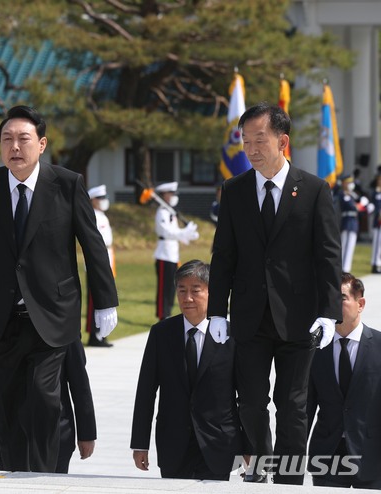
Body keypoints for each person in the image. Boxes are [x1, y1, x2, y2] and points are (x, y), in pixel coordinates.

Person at [0, 105, 118, 472]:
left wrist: (105, 302)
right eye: (7, 139)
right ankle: (12, 473)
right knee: (7, 403)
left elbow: (93, 246)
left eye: (23, 139)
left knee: (45, 398)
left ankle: (44, 478)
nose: (15, 146)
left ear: (41, 144)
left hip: (53, 316)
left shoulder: (67, 184)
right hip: (4, 318)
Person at [208, 102, 342, 484]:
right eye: (245, 140)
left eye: (259, 140)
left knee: (292, 405)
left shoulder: (314, 190)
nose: (250, 149)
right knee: (250, 402)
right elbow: (224, 255)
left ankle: (288, 480)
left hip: (299, 317)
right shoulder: (233, 191)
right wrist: (217, 309)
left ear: (282, 141)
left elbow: (328, 255)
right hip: (250, 315)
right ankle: (262, 465)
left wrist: (328, 311)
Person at [131, 260, 242, 480]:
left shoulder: (232, 335)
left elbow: (247, 396)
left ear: (213, 292)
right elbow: (145, 391)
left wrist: (249, 447)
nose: (187, 298)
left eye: (195, 290)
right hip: (173, 446)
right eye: (182, 290)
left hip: (218, 446)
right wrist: (139, 444)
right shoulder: (161, 334)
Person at [0, 338, 96, 473]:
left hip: (56, 433)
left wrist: (86, 434)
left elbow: (79, 382)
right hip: (11, 434)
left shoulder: (63, 325)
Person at [307, 273, 381, 489]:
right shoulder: (315, 348)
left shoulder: (379, 346)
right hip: (327, 455)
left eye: (341, 298)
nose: (333, 304)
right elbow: (305, 406)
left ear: (361, 304)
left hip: (371, 456)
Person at [153, 181, 199, 320]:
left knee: (171, 287)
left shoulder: (170, 212)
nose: (173, 196)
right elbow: (166, 232)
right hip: (164, 254)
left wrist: (188, 235)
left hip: (172, 254)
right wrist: (184, 232)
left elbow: (176, 233)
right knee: (164, 288)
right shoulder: (162, 212)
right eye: (171, 193)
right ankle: (162, 314)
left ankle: (167, 313)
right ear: (164, 195)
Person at [86, 184, 115, 347]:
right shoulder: (92, 215)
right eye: (100, 198)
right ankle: (94, 335)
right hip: (96, 263)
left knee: (105, 297)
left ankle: (101, 334)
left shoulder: (102, 215)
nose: (104, 201)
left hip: (107, 258)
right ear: (92, 200)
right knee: (95, 299)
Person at [370, 173, 381, 273]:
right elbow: (372, 206)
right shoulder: (375, 193)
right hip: (377, 222)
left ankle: (378, 263)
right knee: (376, 244)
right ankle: (374, 264)